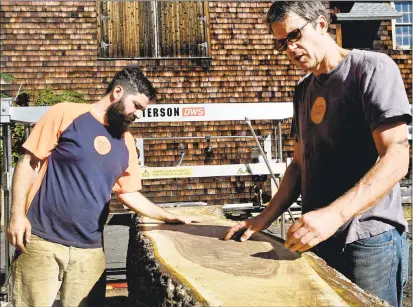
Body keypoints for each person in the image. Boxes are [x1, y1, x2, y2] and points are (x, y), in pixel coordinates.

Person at [224, 2, 411, 306]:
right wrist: (262, 219)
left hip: (367, 241)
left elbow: (397, 156)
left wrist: (334, 216)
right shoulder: (303, 90)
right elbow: (299, 165)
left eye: (295, 35)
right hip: (317, 236)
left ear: (322, 25)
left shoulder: (372, 68)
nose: (290, 48)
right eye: (283, 42)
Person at [7, 67, 200, 307]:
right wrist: (16, 216)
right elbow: (28, 163)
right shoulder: (65, 114)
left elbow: (128, 191)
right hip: (42, 240)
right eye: (137, 106)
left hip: (91, 249)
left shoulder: (126, 142)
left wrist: (168, 216)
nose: (139, 115)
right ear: (117, 92)